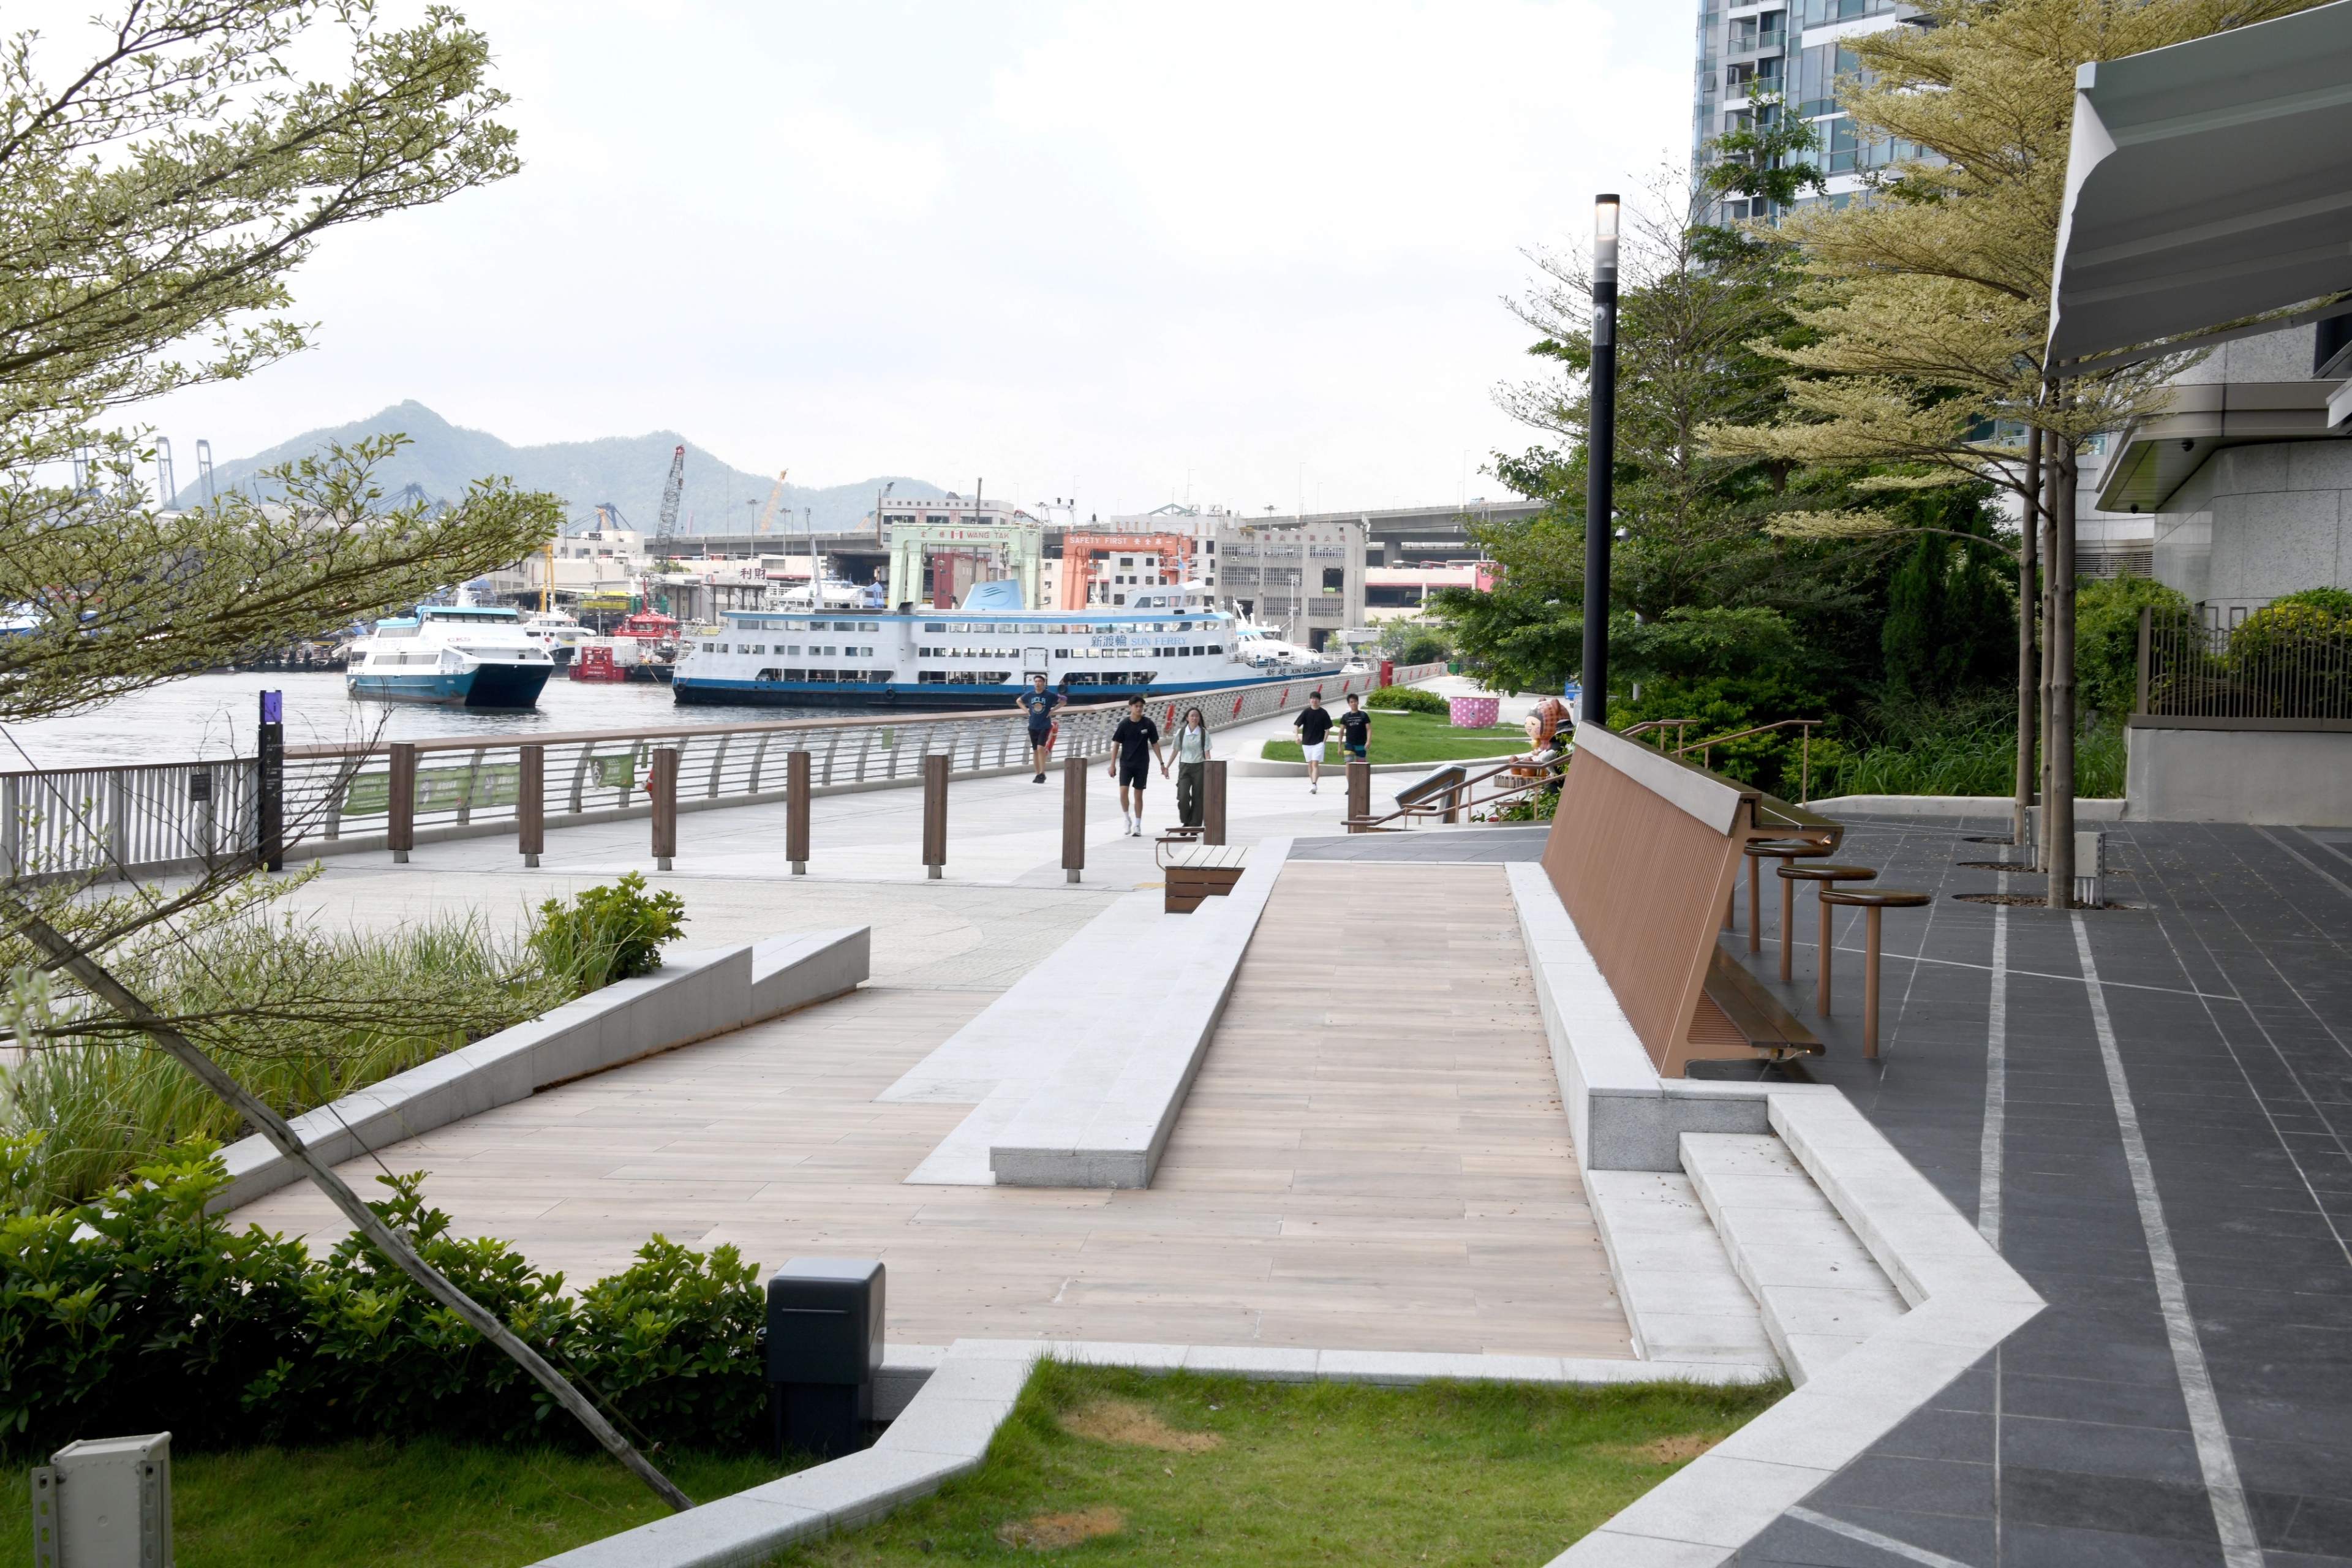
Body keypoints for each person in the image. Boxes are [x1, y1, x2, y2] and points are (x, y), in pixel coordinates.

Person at [1108, 697, 1165, 836]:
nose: (1138, 709)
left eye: (1141, 706)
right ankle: (1127, 819)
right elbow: (1116, 744)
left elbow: (1155, 743)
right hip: (1126, 763)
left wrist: (1162, 764)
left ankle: (1138, 825)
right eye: (1136, 706)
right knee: (1123, 792)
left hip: (1142, 764)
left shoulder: (1148, 724)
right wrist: (1112, 765)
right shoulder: (1124, 724)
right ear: (1130, 707)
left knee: (1138, 795)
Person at [1013, 674, 1065, 782]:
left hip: (1045, 725)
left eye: (1040, 682)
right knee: (1036, 750)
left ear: (1043, 684)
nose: (1037, 683)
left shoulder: (1049, 695)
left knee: (1041, 748)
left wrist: (1052, 711)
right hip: (1033, 725)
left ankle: (1042, 773)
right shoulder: (1030, 695)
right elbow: (1019, 701)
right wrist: (1026, 710)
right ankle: (1037, 774)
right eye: (1036, 681)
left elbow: (1063, 701)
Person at [1166, 706, 1212, 828]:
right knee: (1183, 796)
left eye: (1197, 716)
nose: (1194, 718)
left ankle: (1195, 825)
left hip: (1200, 767)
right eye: (1192, 716)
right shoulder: (1181, 733)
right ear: (1187, 717)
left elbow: (1207, 754)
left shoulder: (1203, 733)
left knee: (1198, 797)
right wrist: (1167, 767)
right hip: (1185, 767)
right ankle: (1186, 821)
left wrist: (1210, 770)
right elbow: (1176, 751)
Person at [1292, 692, 1333, 793]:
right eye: (1313, 698)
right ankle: (1313, 783)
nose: (1314, 700)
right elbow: (1297, 725)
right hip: (1307, 742)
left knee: (1315, 763)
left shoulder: (1323, 713)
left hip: (1319, 742)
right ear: (1310, 700)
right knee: (1310, 764)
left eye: (1317, 699)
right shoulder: (1306, 712)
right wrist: (1297, 736)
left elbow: (1327, 729)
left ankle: (1314, 784)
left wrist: (1324, 741)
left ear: (1319, 701)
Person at [1338, 692, 1371, 766]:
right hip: (1349, 744)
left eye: (1355, 701)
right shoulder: (1345, 717)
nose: (1353, 703)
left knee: (1361, 766)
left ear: (1358, 702)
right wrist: (1339, 747)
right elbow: (1341, 732)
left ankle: (1360, 778)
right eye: (1351, 702)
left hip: (1361, 744)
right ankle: (1349, 778)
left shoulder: (1363, 715)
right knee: (1348, 764)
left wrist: (1368, 741)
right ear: (1349, 704)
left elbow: (1369, 729)